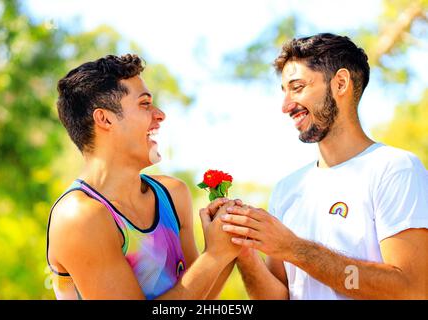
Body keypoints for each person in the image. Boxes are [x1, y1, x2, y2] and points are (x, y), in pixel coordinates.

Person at [218, 33, 428, 299]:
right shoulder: (287, 189)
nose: (285, 106)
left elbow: (411, 290)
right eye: (284, 91)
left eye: (297, 87)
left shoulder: (395, 169)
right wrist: (245, 250)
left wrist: (294, 249)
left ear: (340, 83)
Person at [46, 54, 239, 299]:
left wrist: (230, 244)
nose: (160, 115)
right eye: (145, 104)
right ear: (105, 119)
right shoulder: (80, 218)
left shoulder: (173, 195)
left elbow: (198, 298)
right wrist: (214, 256)